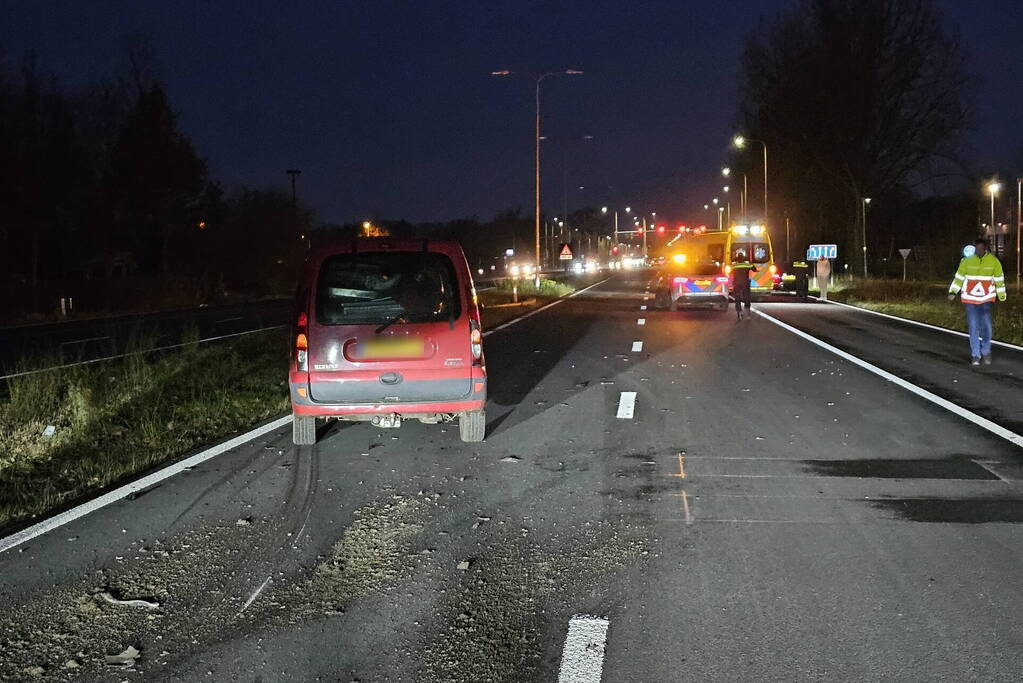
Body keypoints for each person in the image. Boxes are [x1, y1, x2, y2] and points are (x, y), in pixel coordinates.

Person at [948, 238, 1007, 365]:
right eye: (977, 249)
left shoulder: (994, 262)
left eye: (981, 249)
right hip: (969, 299)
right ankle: (976, 355)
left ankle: (985, 351)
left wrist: (1002, 295)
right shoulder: (966, 261)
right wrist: (953, 292)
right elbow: (959, 278)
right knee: (973, 326)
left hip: (986, 299)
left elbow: (999, 280)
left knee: (986, 327)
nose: (978, 251)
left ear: (985, 248)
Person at [731, 255, 757, 320]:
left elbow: (730, 271)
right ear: (744, 259)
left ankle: (739, 312)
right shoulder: (747, 265)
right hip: (745, 283)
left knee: (737, 298)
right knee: (747, 297)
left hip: (736, 283)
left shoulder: (734, 265)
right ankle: (748, 313)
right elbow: (754, 269)